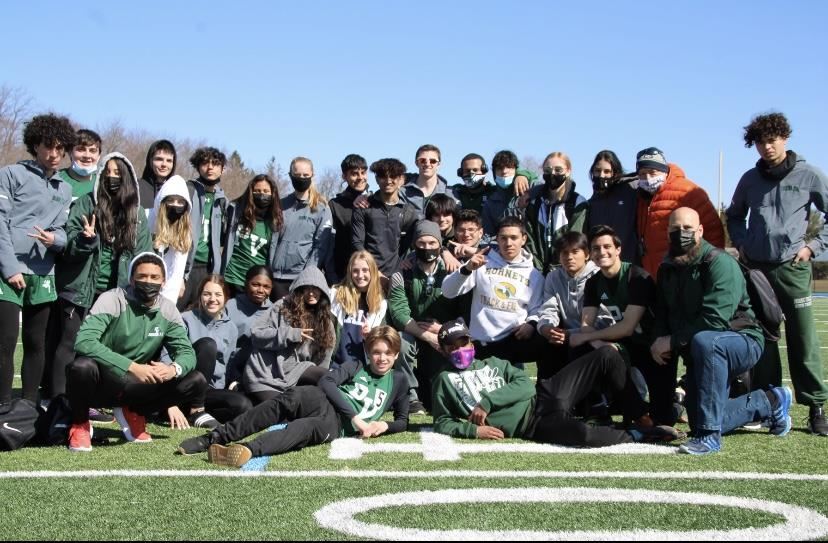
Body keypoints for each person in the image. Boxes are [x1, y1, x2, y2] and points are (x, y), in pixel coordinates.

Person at [653, 208, 793, 454]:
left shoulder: (719, 262)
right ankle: (771, 401)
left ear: (700, 231)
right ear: (667, 232)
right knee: (699, 418)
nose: (681, 234)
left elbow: (715, 320)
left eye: (687, 228)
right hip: (698, 346)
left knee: (708, 341)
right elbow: (664, 314)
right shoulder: (668, 268)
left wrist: (672, 341)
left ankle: (709, 438)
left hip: (742, 340)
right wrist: (658, 342)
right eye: (675, 229)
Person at [726, 112, 828, 436]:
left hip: (793, 269)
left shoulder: (809, 174)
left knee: (803, 338)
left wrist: (813, 247)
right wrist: (741, 244)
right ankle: (769, 403)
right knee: (764, 338)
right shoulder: (749, 179)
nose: (766, 147)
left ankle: (816, 408)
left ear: (784, 138)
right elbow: (734, 216)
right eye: (760, 142)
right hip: (756, 269)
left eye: (772, 140)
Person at [177, 326, 409, 467]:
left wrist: (383, 425)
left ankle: (245, 450)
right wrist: (356, 417)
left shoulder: (399, 381)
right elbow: (327, 381)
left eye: (388, 353)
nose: (382, 358)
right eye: (377, 352)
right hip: (323, 400)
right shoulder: (357, 365)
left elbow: (403, 421)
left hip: (336, 424)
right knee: (288, 398)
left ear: (396, 354)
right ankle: (214, 438)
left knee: (303, 429)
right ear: (369, 352)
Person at [431, 319, 679, 446]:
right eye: (450, 347)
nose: (458, 350)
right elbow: (442, 422)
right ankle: (638, 434)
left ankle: (643, 418)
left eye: (462, 343)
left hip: (545, 395)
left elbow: (526, 385)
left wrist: (486, 402)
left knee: (606, 355)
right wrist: (473, 430)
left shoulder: (494, 362)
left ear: (471, 343)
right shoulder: (443, 380)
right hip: (533, 426)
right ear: (442, 351)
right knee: (583, 436)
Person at [66, 252, 209, 451]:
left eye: (154, 277)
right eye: (142, 276)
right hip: (104, 381)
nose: (148, 281)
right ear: (132, 279)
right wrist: (131, 367)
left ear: (164, 281)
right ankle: (80, 424)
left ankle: (134, 412)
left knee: (196, 380)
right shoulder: (112, 299)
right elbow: (84, 342)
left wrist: (172, 369)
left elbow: (187, 353)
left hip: (138, 386)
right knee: (81, 366)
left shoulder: (168, 309)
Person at [51, 152, 152, 403]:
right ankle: (58, 399)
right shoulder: (86, 203)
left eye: (118, 173)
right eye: (108, 172)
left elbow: (142, 255)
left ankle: (96, 399)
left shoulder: (137, 214)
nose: (113, 177)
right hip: (81, 287)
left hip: (116, 293)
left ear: (128, 178)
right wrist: (86, 240)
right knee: (70, 343)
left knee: (106, 348)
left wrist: (135, 293)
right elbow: (68, 247)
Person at [0, 113, 75, 406]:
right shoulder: (10, 174)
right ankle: (4, 405)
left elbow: (63, 234)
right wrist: (9, 268)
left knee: (36, 343)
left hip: (43, 273)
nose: (54, 154)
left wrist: (54, 240)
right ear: (35, 145)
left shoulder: (64, 189)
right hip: (9, 272)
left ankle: (28, 407)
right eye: (48, 146)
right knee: (5, 343)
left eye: (60, 148)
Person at [568, 225, 675, 427]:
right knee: (580, 347)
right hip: (628, 342)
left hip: (655, 345)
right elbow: (585, 324)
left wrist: (590, 337)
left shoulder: (637, 277)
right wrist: (598, 342)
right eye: (596, 248)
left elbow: (627, 326)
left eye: (607, 246)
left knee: (664, 418)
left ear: (618, 249)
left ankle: (670, 407)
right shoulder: (593, 282)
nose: (602, 252)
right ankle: (597, 408)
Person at [441, 216, 547, 365]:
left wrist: (531, 324)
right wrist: (467, 269)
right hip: (479, 346)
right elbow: (447, 291)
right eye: (503, 238)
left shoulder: (535, 275)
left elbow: (536, 309)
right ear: (496, 239)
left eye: (513, 238)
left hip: (512, 346)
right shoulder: (482, 263)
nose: (508, 243)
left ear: (523, 239)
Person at [388, 221, 469, 413]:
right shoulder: (401, 273)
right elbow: (399, 314)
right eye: (421, 243)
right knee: (401, 342)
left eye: (432, 243)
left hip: (445, 331)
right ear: (415, 244)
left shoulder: (453, 270)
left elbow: (464, 310)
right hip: (414, 331)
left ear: (440, 245)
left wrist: (443, 332)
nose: (427, 248)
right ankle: (410, 397)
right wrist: (429, 337)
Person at [242, 266, 335, 404]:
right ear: (299, 290)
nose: (311, 293)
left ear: (322, 291)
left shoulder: (326, 323)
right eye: (306, 288)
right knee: (282, 410)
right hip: (266, 374)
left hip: (296, 372)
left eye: (315, 288)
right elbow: (256, 334)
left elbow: (324, 361)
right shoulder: (282, 307)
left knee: (327, 376)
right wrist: (290, 334)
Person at [167, 275, 251, 424]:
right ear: (200, 296)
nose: (212, 299)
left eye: (218, 294)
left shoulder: (231, 327)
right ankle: (194, 410)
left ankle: (195, 411)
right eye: (207, 294)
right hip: (184, 385)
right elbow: (166, 355)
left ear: (226, 298)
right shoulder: (185, 319)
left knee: (243, 405)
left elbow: (228, 363)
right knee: (208, 345)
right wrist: (169, 403)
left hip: (209, 390)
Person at [635, 146, 724, 277]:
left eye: (652, 172)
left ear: (663, 171)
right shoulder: (642, 197)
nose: (647, 178)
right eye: (642, 174)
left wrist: (712, 268)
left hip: (684, 272)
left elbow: (713, 231)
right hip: (653, 273)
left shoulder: (689, 192)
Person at [535, 231, 604, 380]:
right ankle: (545, 393)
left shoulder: (599, 276)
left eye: (575, 251)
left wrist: (570, 334)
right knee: (543, 343)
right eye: (564, 252)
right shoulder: (553, 277)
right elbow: (549, 308)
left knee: (578, 348)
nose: (569, 257)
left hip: (595, 336)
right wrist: (546, 327)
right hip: (564, 335)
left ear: (587, 254)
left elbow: (603, 321)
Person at [270, 157, 333, 301]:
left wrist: (306, 277)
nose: (301, 179)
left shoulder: (321, 209)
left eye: (305, 175)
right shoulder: (281, 204)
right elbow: (273, 239)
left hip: (299, 278)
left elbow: (320, 248)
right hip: (275, 276)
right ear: (290, 175)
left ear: (312, 175)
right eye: (297, 175)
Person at [351, 158, 418, 279]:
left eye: (393, 176)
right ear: (376, 179)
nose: (388, 181)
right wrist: (375, 272)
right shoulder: (363, 206)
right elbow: (357, 243)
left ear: (401, 179)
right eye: (383, 176)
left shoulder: (409, 211)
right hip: (367, 275)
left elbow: (409, 245)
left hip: (397, 276)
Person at [524, 151, 589, 274]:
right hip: (536, 271)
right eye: (548, 170)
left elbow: (576, 239)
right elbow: (530, 239)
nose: (553, 174)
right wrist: (537, 268)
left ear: (568, 171)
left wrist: (558, 268)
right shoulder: (535, 203)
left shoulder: (577, 203)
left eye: (558, 170)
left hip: (566, 271)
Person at [181, 147, 229, 309]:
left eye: (215, 164)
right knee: (173, 311)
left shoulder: (223, 201)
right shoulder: (187, 190)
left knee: (199, 313)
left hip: (208, 268)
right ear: (197, 166)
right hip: (185, 265)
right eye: (205, 163)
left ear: (222, 169)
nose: (210, 167)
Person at [222, 174, 284, 295]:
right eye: (258, 191)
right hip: (231, 277)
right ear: (251, 192)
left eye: (266, 191)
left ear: (273, 194)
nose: (262, 195)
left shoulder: (276, 222)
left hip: (256, 283)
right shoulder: (236, 212)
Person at [331, 251, 387, 366]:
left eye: (365, 270)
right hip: (336, 365)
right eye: (355, 271)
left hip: (365, 368)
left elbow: (383, 342)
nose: (360, 275)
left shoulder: (381, 303)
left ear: (372, 272)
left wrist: (371, 336)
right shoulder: (336, 296)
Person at [586, 150, 639, 264]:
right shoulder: (591, 203)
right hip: (601, 264)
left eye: (607, 171)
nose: (601, 175)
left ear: (615, 172)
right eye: (597, 171)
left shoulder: (632, 190)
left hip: (629, 263)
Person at [224, 266, 273, 387]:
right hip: (227, 359)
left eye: (266, 287)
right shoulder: (230, 305)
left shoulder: (274, 312)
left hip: (253, 366)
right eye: (255, 284)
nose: (261, 290)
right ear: (246, 284)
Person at [148, 175, 193, 304]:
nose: (175, 205)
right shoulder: (146, 218)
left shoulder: (185, 232)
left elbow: (176, 274)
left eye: (180, 202)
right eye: (171, 200)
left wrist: (166, 306)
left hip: (164, 291)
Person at [328, 154, 370, 283]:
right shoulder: (335, 205)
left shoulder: (374, 201)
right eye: (354, 174)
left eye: (363, 172)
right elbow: (329, 244)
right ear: (344, 176)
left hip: (371, 272)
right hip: (344, 273)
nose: (360, 177)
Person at [481, 150, 538, 237]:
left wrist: (524, 175)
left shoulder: (529, 189)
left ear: (516, 170)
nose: (504, 171)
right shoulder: (490, 203)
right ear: (494, 173)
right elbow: (489, 236)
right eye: (499, 168)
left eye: (509, 167)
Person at [402, 144, 452, 218]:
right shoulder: (402, 193)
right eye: (422, 160)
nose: (427, 164)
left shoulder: (450, 194)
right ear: (416, 163)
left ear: (438, 164)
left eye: (433, 161)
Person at [59, 128, 101, 202]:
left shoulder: (102, 185)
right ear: (70, 152)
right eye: (81, 149)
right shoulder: (55, 180)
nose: (87, 155)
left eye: (92, 151)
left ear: (99, 156)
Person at [138, 139, 177, 211]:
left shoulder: (176, 191)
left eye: (169, 160)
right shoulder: (136, 187)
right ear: (150, 160)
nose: (164, 164)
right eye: (159, 159)